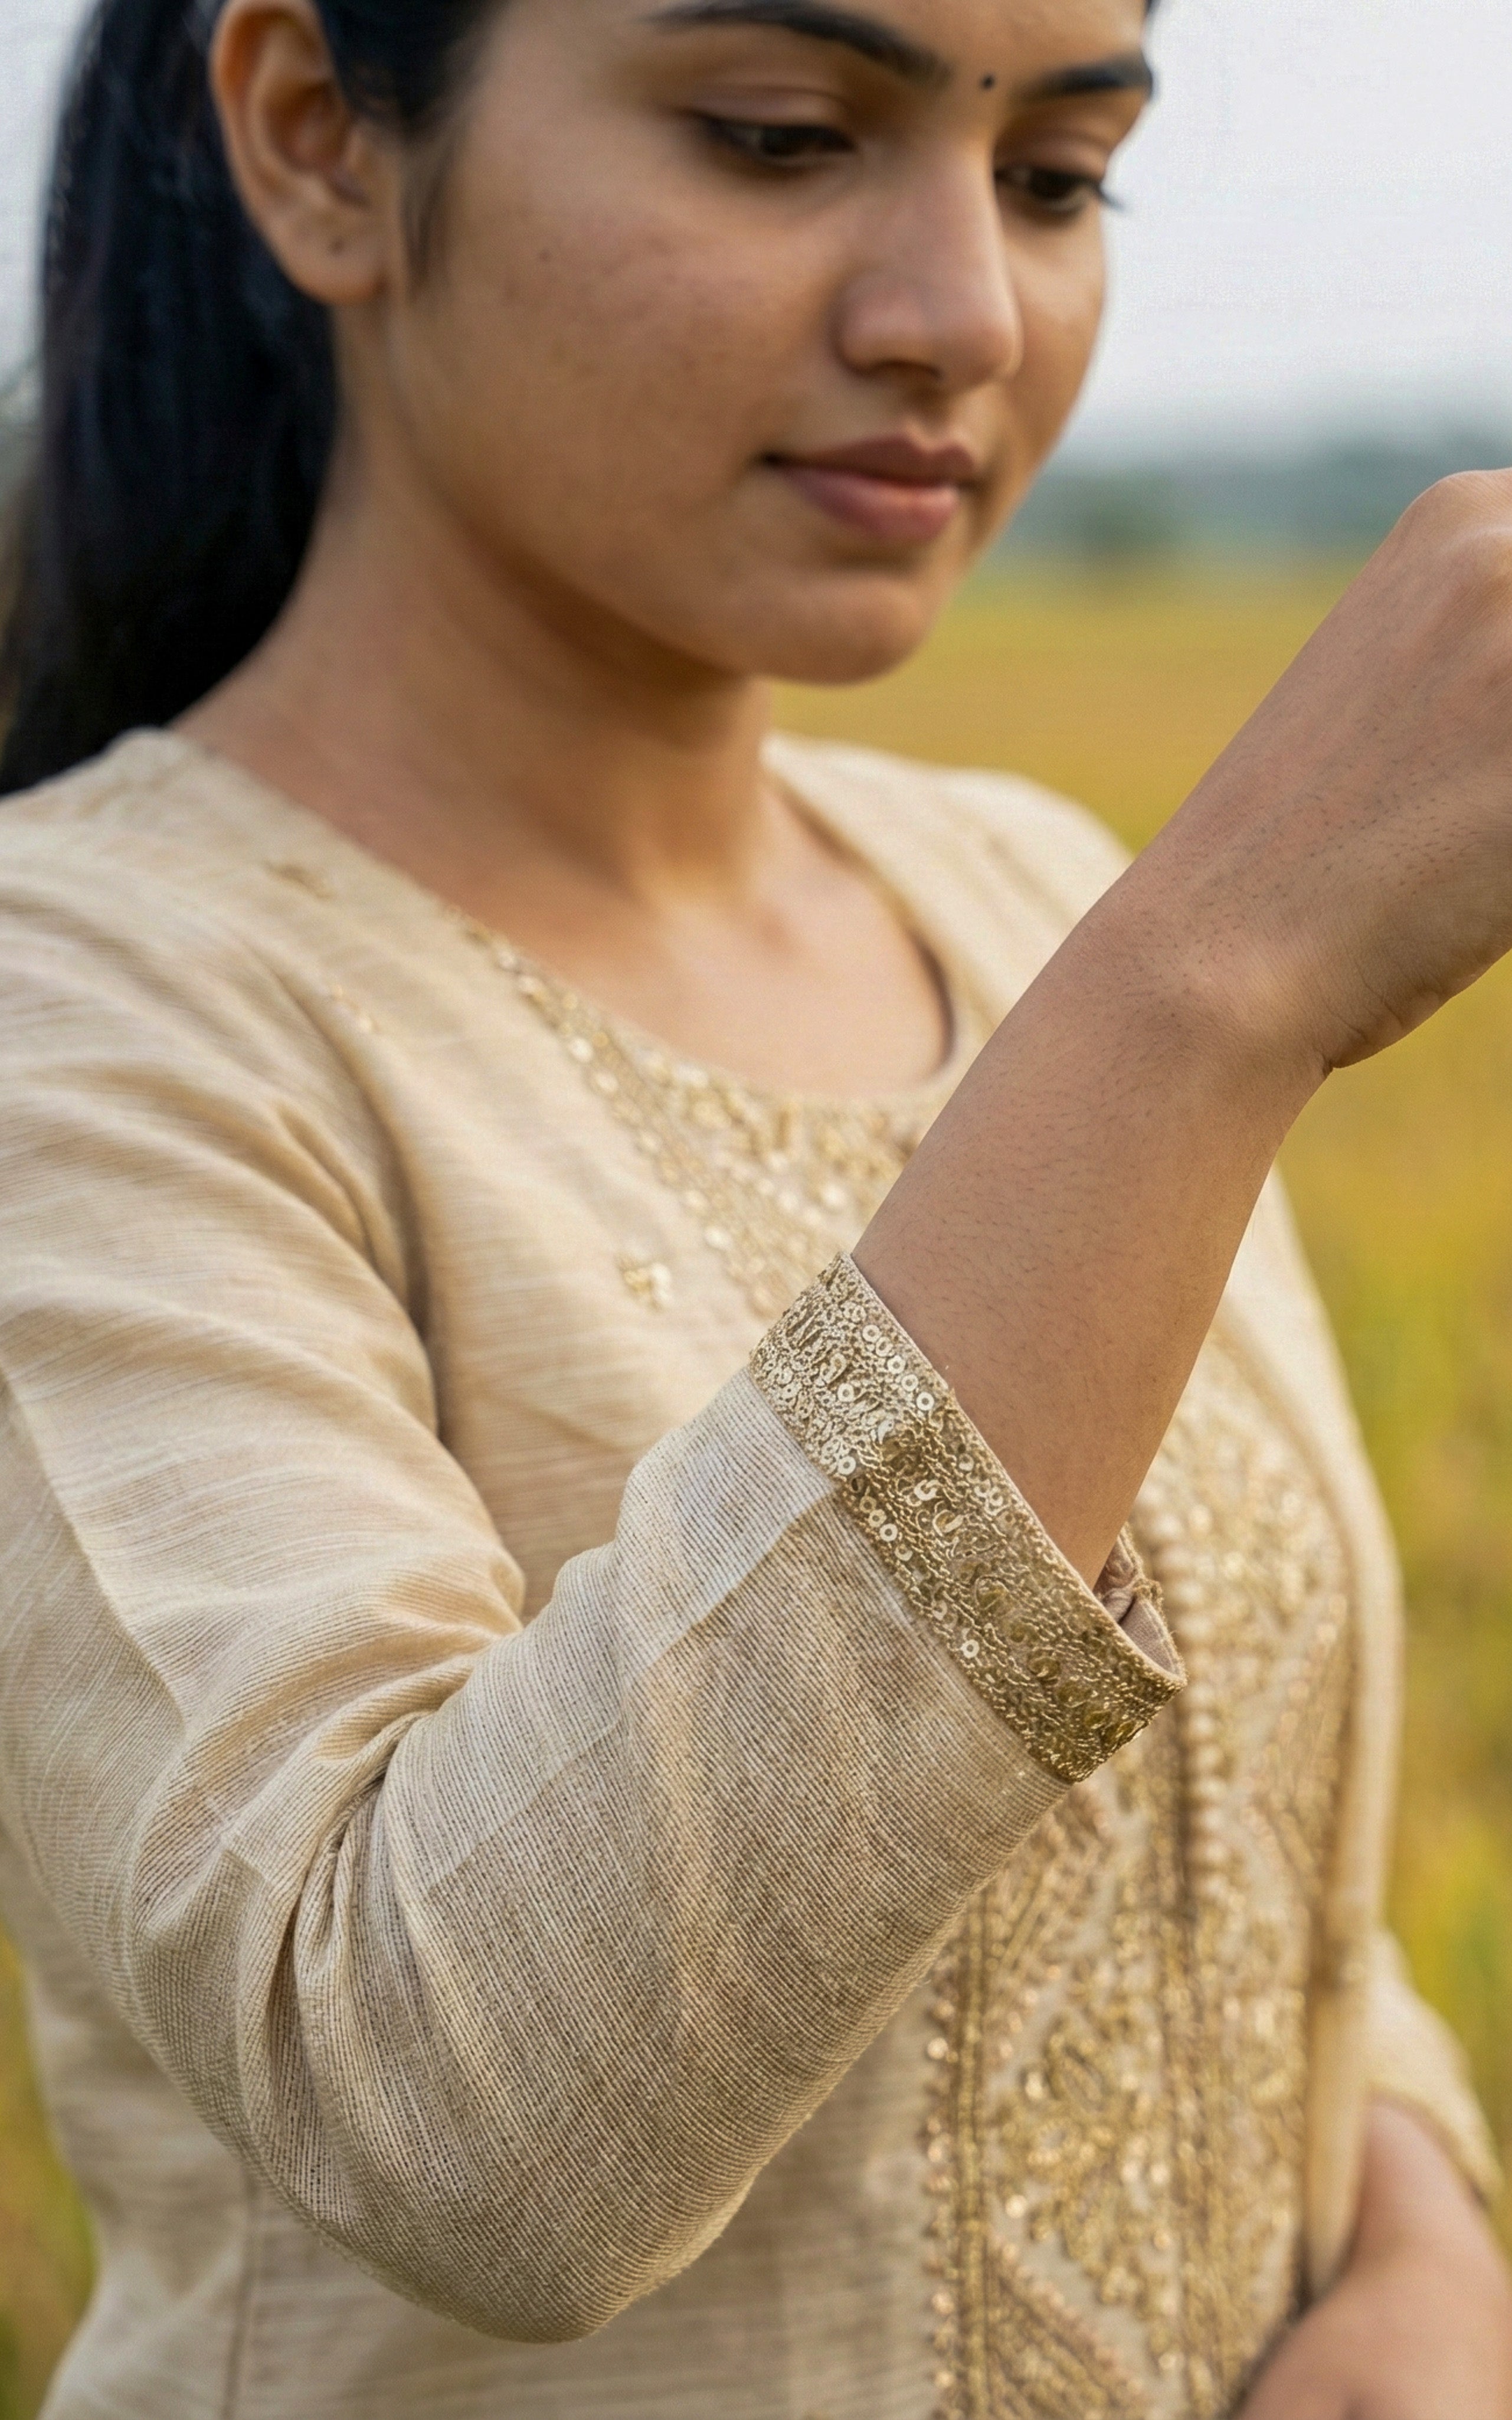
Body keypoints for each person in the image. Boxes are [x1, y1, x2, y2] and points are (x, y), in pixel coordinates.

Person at [1, 0, 1510, 2413]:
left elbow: (1241, 1798)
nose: (963, 315)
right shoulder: (81, 1004)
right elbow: (451, 2110)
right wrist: (1210, 983)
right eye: (780, 136)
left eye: (1054, 176)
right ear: (316, 142)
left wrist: (1425, 2224)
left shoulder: (1029, 896)